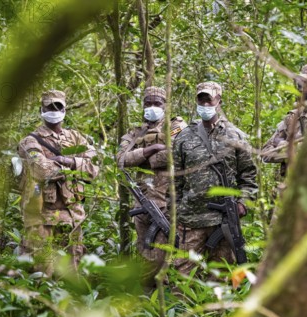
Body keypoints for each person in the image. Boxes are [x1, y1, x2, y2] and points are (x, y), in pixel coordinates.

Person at [173, 82, 258, 275]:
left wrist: (243, 203)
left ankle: (220, 306)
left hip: (224, 221)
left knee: (221, 276)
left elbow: (249, 176)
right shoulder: (184, 137)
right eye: (201, 99)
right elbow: (176, 180)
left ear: (218, 101)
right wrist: (175, 212)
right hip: (190, 220)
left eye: (208, 99)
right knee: (182, 276)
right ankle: (179, 307)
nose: (204, 103)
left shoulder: (235, 136)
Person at [18, 90, 99, 276]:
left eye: (57, 106)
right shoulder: (29, 141)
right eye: (49, 107)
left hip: (73, 217)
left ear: (64, 110)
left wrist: (70, 162)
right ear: (41, 109)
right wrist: (76, 166)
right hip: (41, 217)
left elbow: (94, 169)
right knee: (41, 271)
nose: (53, 110)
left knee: (72, 273)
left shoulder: (76, 138)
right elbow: (41, 169)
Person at [116, 86, 187, 288]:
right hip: (144, 201)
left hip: (170, 199)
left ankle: (165, 295)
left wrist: (144, 158)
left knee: (167, 253)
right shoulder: (135, 133)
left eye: (157, 104)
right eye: (148, 104)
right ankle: (150, 298)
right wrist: (152, 148)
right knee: (146, 251)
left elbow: (180, 153)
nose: (152, 108)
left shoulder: (176, 127)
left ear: (165, 105)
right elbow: (121, 160)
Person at [261, 65, 307, 183]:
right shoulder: (292, 118)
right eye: (301, 83)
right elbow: (265, 152)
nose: (303, 88)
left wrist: (284, 145)